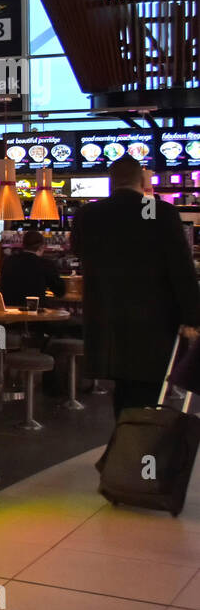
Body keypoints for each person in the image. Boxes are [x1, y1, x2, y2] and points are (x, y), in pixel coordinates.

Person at [72, 154, 200, 418]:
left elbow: (79, 253)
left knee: (123, 389)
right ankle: (137, 452)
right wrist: (193, 316)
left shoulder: (88, 214)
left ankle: (125, 447)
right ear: (143, 181)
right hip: (152, 323)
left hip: (104, 320)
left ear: (111, 181)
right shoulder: (157, 211)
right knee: (146, 393)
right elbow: (181, 269)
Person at [0, 229, 66, 308]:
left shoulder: (8, 261)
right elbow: (60, 291)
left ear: (23, 245)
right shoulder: (45, 264)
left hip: (9, 311)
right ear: (41, 247)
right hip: (35, 313)